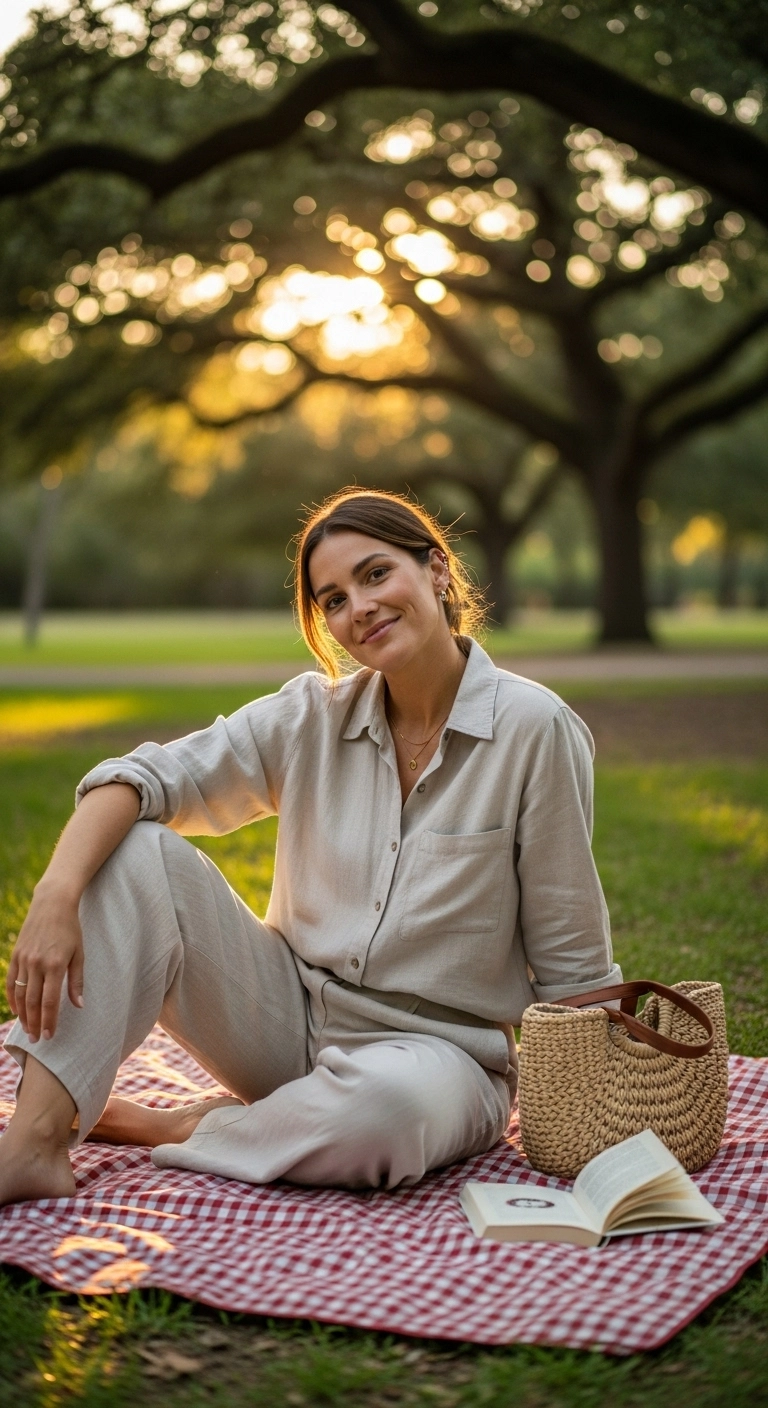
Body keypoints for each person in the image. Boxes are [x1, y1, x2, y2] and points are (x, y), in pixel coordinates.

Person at [0, 489, 620, 1205]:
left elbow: (572, 959)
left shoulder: (536, 728)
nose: (358, 606)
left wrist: (598, 1118)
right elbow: (139, 779)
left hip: (440, 1061)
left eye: (376, 574)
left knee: (386, 1115)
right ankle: (34, 1143)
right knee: (137, 852)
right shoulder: (309, 717)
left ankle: (164, 1129)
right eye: (332, 598)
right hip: (286, 1020)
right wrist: (55, 895)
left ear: (438, 571)